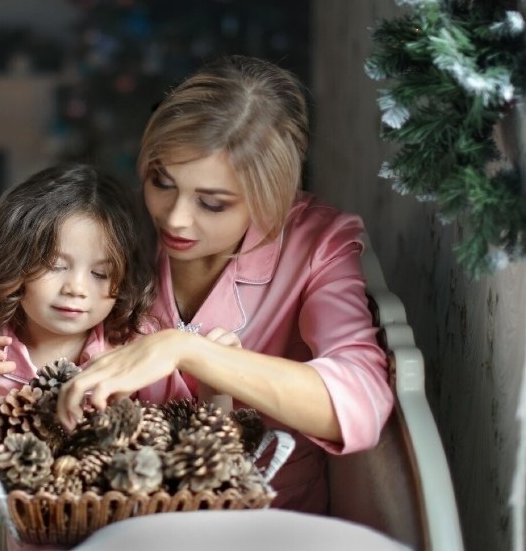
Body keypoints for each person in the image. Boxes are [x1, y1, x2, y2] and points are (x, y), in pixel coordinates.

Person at [56, 55, 395, 515]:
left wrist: (188, 351)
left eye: (212, 204)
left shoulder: (317, 244)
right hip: (123, 523)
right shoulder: (115, 228)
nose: (174, 218)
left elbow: (360, 402)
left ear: (270, 198)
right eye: (162, 182)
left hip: (267, 529)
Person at [0, 163, 193, 492]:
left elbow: (191, 443)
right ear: (16, 261)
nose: (77, 288)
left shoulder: (136, 346)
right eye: (56, 265)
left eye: (100, 274)